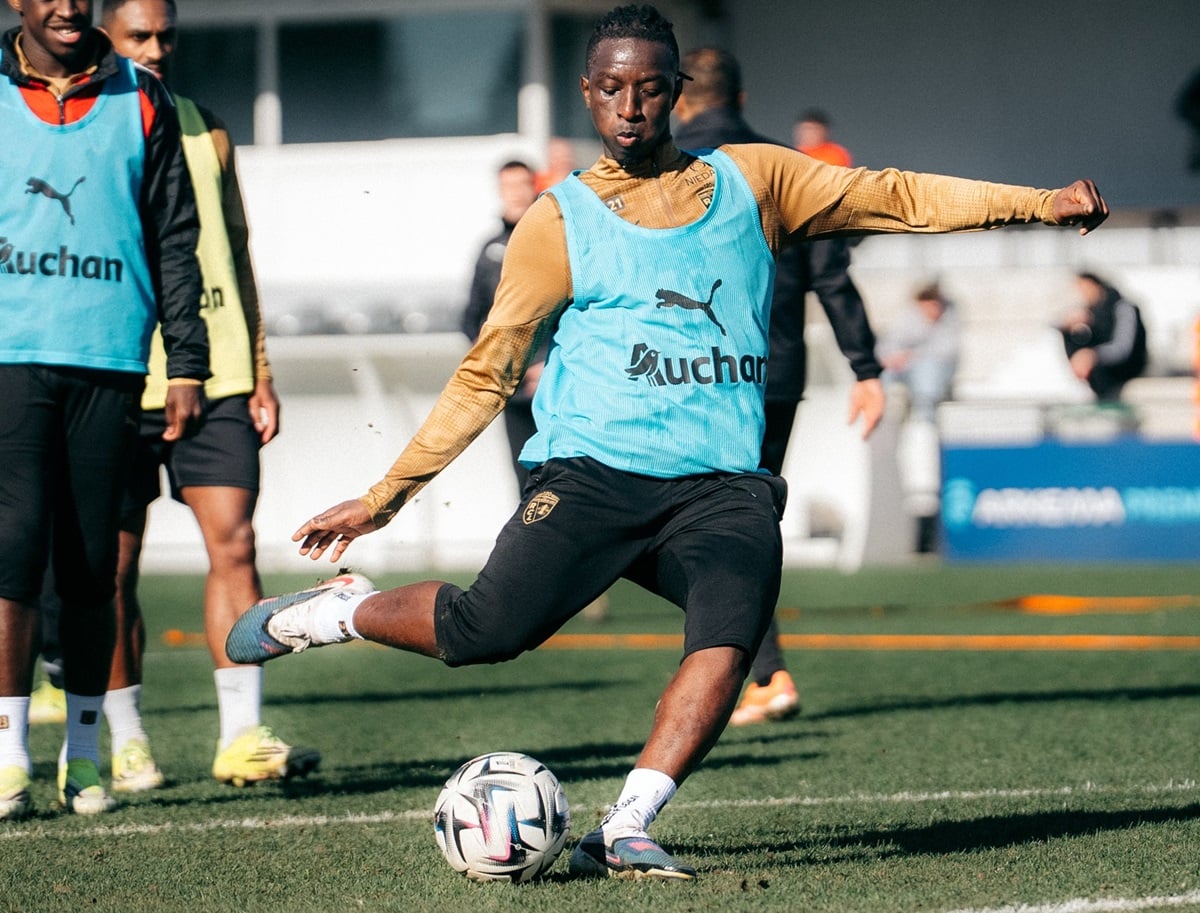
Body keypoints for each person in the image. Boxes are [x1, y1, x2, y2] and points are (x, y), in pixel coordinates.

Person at [225, 3, 1107, 879]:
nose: (631, 106)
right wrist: (385, 496)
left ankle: (628, 823)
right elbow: (487, 371)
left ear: (677, 92)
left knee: (730, 630)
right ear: (587, 94)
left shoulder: (755, 179)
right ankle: (338, 610)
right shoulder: (557, 219)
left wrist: (1041, 206)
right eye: (612, 89)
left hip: (719, 483)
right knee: (482, 631)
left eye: (649, 88)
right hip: (593, 473)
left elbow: (894, 195)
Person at [0, 0, 208, 820]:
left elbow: (174, 236)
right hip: (10, 359)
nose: (65, 6)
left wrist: (186, 362)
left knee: (92, 566)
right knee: (12, 551)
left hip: (112, 359)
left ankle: (82, 756)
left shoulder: (142, 98)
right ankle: (10, 754)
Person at [672, 46, 884, 727]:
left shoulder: (665, 168)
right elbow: (833, 275)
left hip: (689, 374)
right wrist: (867, 368)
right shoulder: (794, 167)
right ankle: (761, 669)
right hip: (773, 373)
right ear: (742, 92)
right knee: (746, 519)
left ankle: (756, 669)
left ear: (680, 97)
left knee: (697, 526)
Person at [460, 160, 542, 490]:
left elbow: (574, 310)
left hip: (558, 386)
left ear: (534, 185)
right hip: (513, 387)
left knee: (564, 479)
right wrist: (493, 360)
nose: (516, 194)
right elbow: (471, 318)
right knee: (523, 480)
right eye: (508, 186)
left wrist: (550, 362)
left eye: (522, 184)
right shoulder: (490, 250)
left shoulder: (559, 239)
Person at [878, 281, 962, 423]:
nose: (932, 310)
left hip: (934, 369)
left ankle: (925, 421)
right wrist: (892, 358)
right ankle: (884, 417)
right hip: (905, 368)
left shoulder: (949, 320)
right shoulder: (908, 318)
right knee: (881, 373)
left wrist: (912, 355)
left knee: (927, 375)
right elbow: (889, 343)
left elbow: (947, 351)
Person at [1057, 271, 1147, 402]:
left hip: (1125, 366)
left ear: (1095, 285)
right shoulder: (1091, 312)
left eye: (1084, 288)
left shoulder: (1123, 308)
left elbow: (1123, 348)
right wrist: (1069, 327)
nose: (1083, 294)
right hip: (1102, 366)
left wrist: (1093, 355)